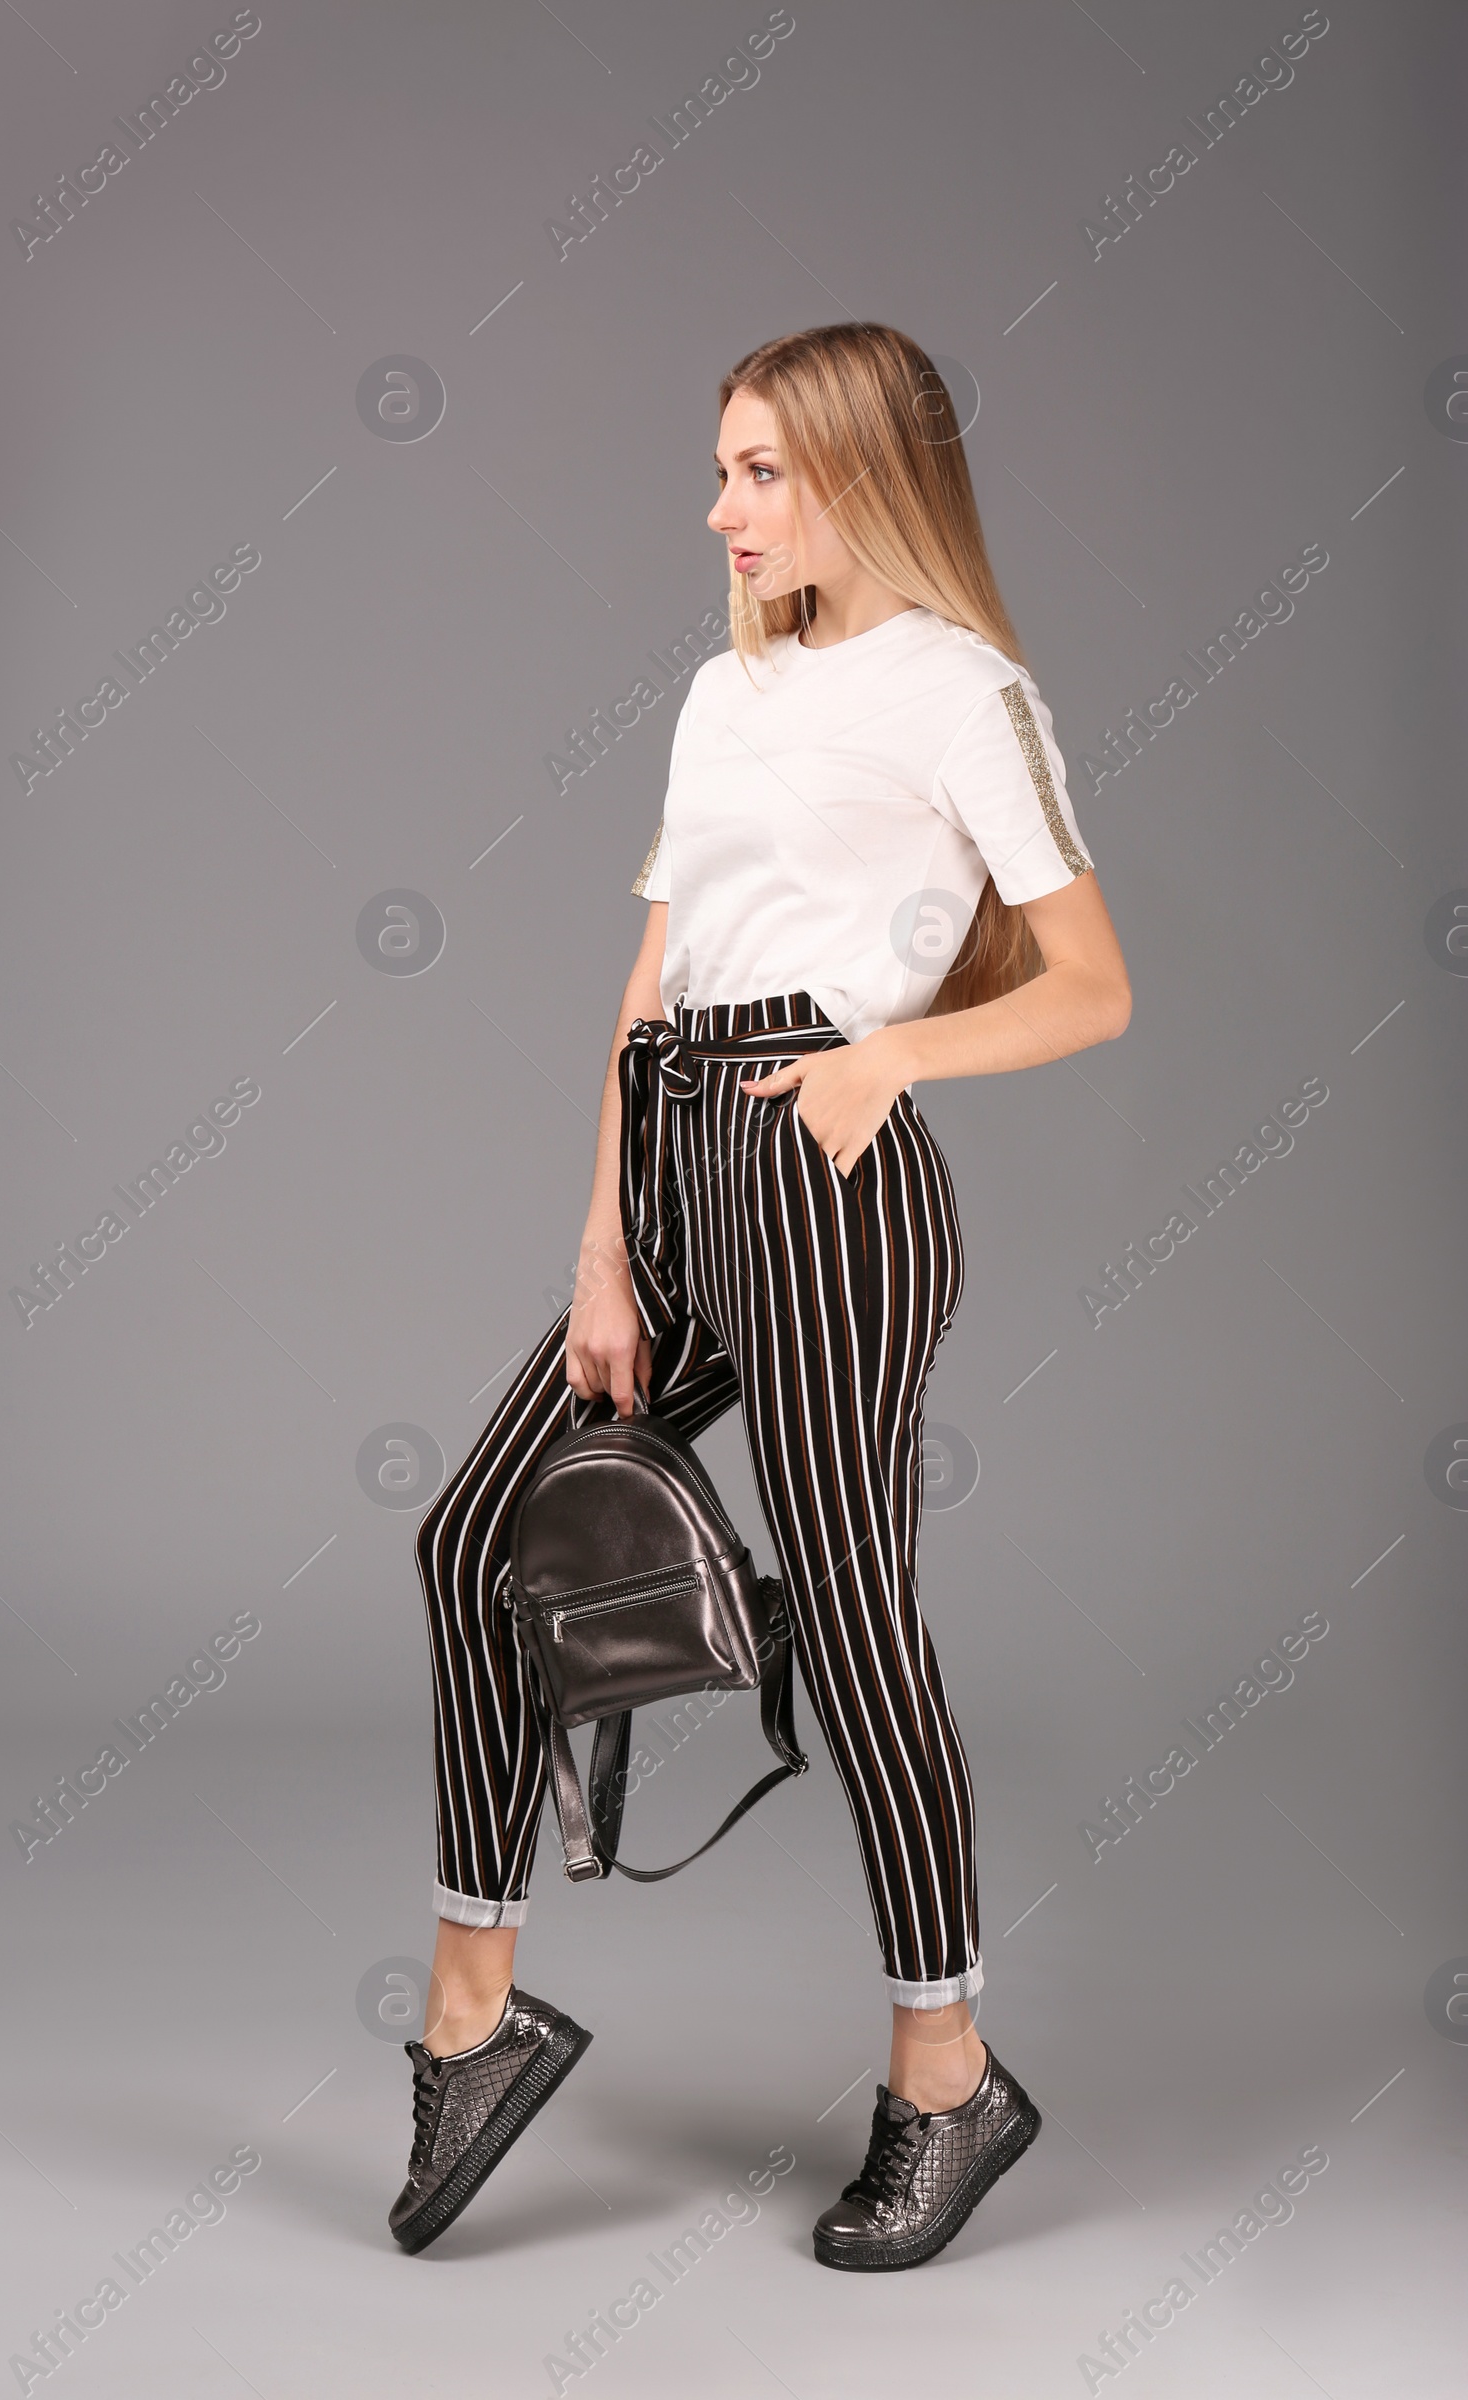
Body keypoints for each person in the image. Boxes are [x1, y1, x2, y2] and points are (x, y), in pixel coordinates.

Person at [391, 322, 1132, 2270]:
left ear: (858, 475)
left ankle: (941, 2076)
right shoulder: (724, 693)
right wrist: (601, 1244)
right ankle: (475, 2016)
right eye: (716, 471)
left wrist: (893, 1062)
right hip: (679, 1162)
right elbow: (648, 991)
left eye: (756, 473)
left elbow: (1086, 982)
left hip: (828, 1173)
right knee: (476, 1535)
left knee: (861, 1619)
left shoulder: (960, 694)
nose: (717, 510)